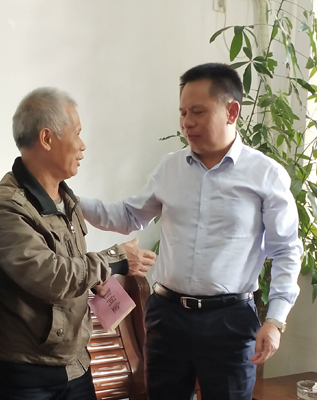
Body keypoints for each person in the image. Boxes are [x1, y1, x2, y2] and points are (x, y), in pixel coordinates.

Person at [79, 63, 302, 400]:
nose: (187, 123)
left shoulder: (265, 175)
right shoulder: (170, 167)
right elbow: (127, 216)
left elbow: (286, 250)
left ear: (231, 112)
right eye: (183, 113)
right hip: (167, 317)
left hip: (229, 322)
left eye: (198, 112)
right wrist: (66, 199)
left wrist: (276, 320)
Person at [0, 87, 156, 400]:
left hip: (75, 365)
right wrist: (115, 259)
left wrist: (97, 280)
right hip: (25, 374)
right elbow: (51, 277)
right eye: (77, 133)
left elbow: (71, 262)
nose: (82, 145)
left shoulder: (66, 198)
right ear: (47, 138)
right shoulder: (7, 207)